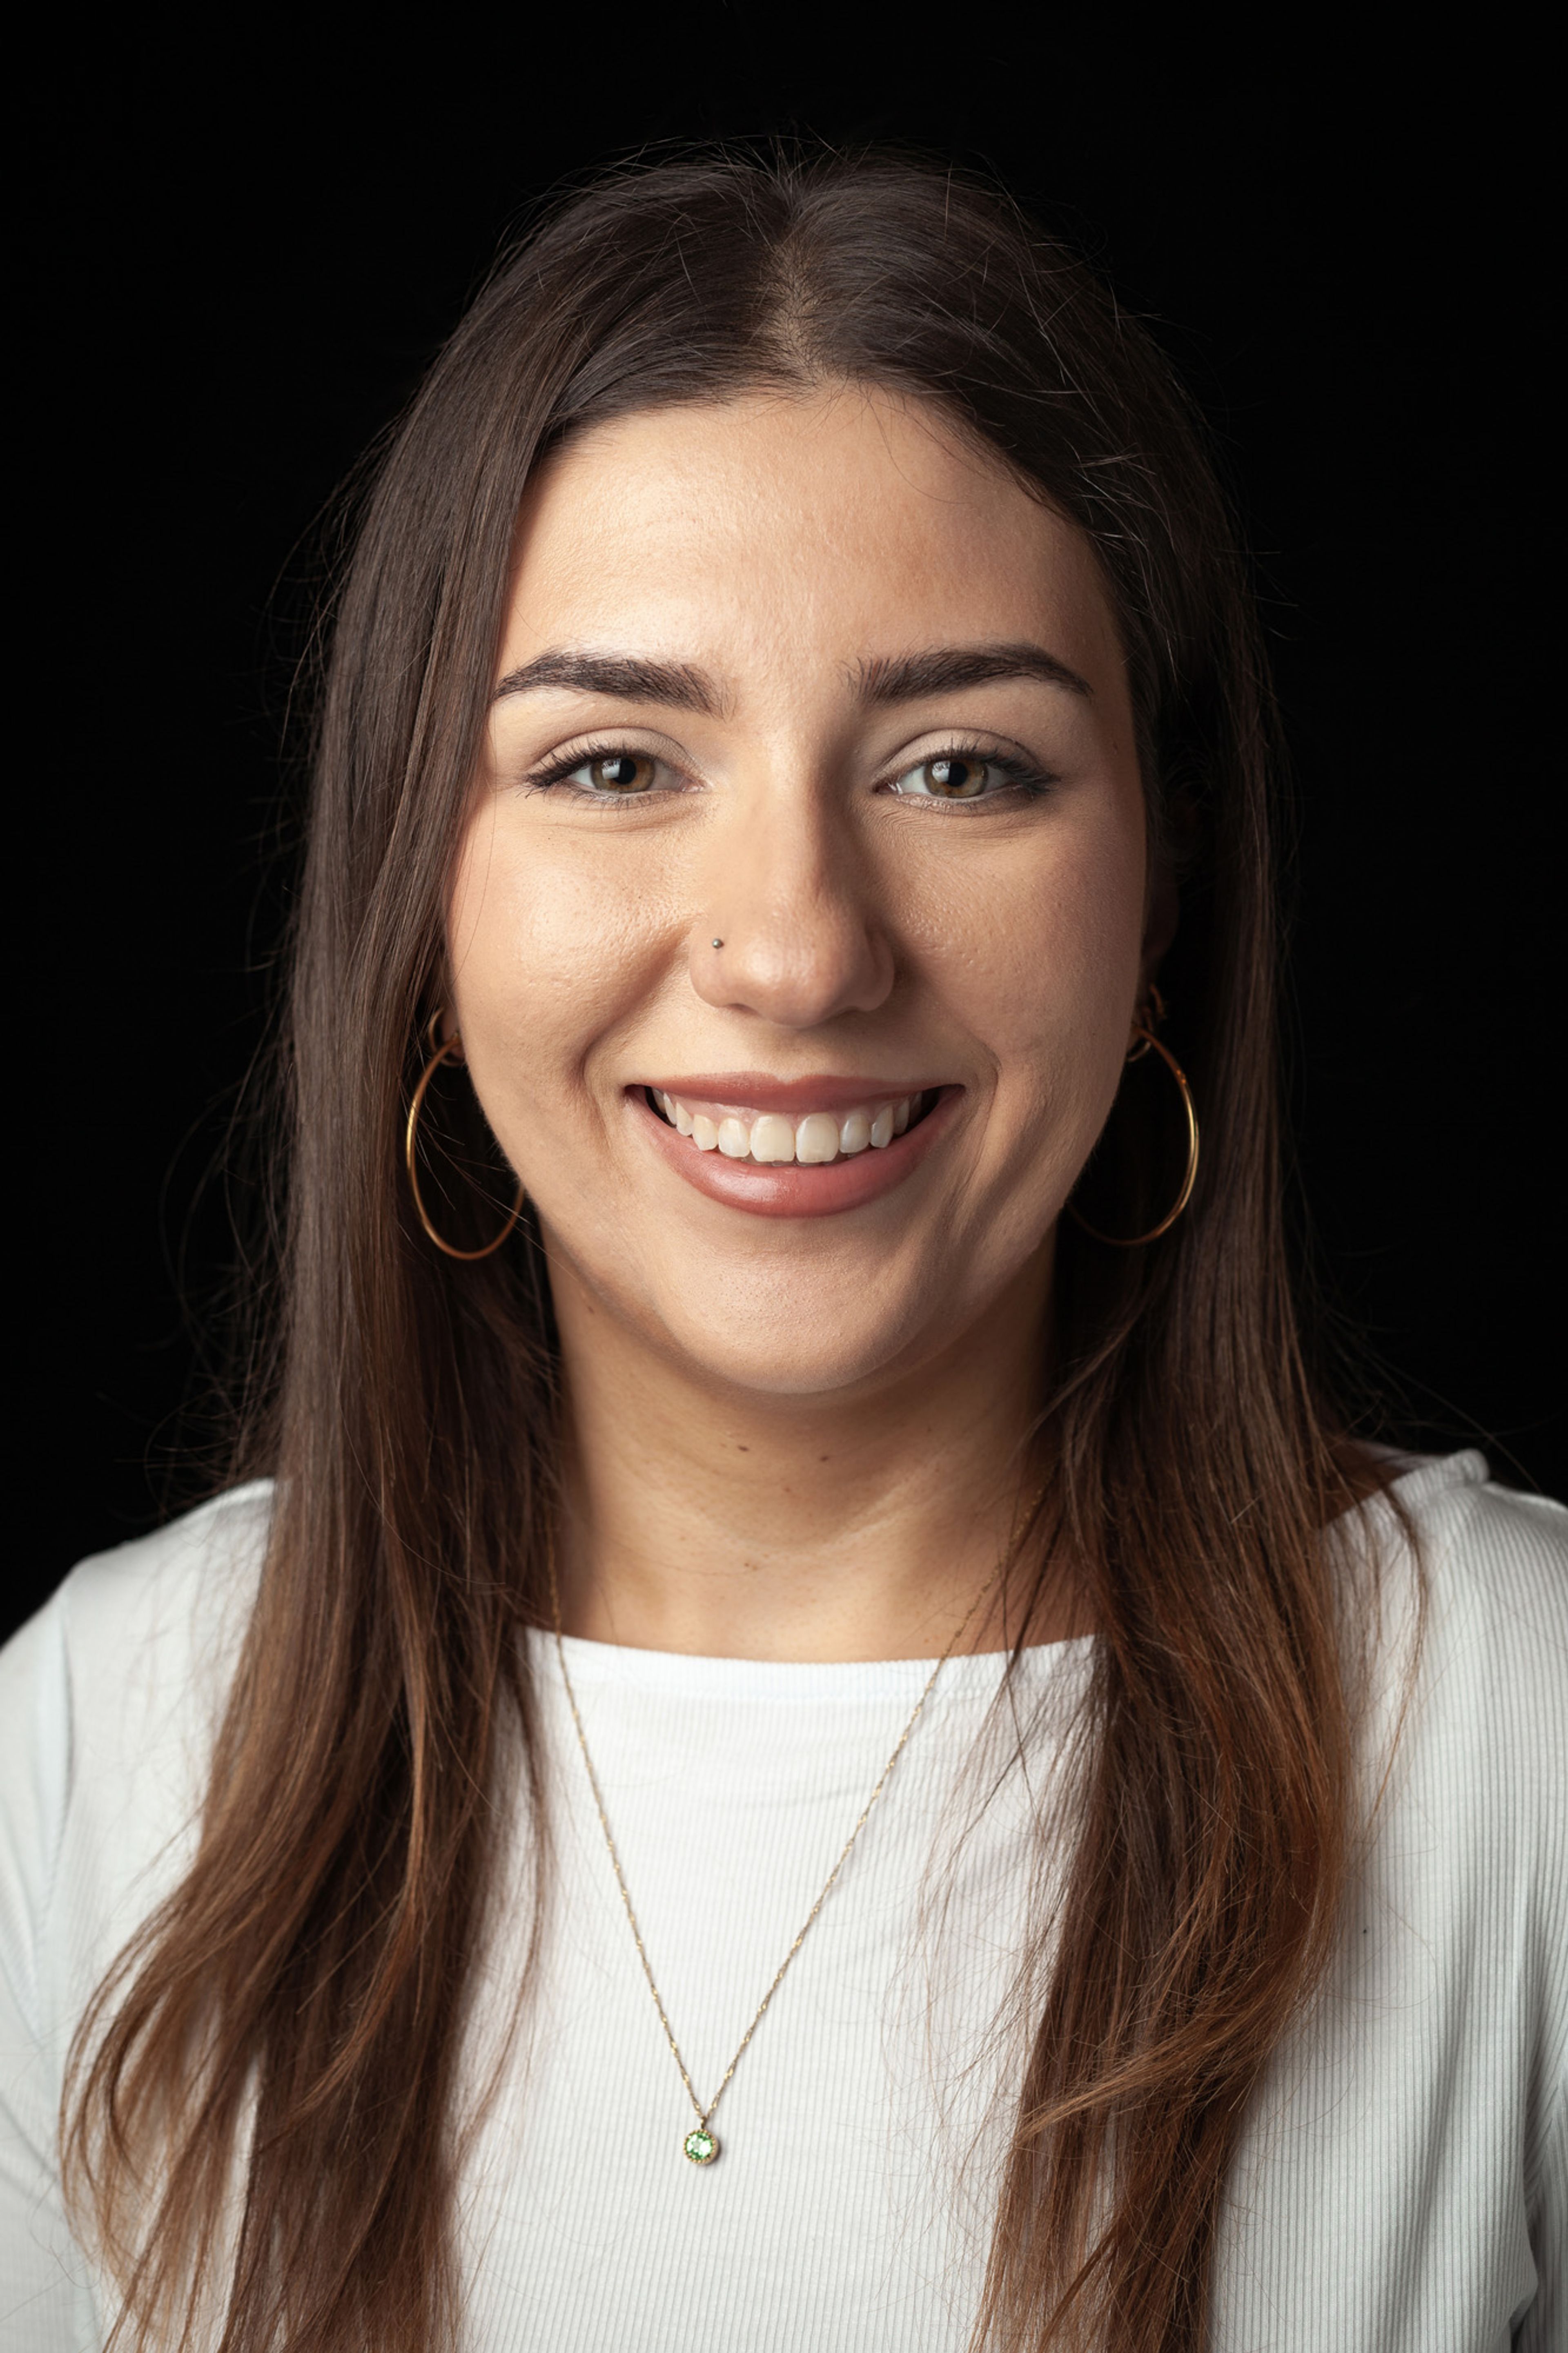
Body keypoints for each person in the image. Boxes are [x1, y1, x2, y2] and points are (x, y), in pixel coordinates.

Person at [1, 150, 1562, 2353]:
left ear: (1166, 877)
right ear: (418, 898)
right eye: (620, 762)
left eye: (957, 768)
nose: (799, 949)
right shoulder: (108, 1734)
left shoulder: (1519, 1733)